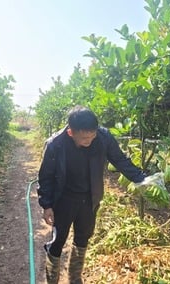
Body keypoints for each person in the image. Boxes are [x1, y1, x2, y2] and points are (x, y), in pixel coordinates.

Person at [37, 105, 146, 284]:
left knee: (83, 238)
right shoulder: (55, 145)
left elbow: (119, 160)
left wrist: (141, 179)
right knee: (58, 241)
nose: (90, 140)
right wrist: (47, 204)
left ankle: (74, 279)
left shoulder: (103, 137)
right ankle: (52, 279)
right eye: (85, 138)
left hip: (89, 198)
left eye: (92, 135)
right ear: (71, 133)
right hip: (63, 199)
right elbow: (46, 177)